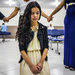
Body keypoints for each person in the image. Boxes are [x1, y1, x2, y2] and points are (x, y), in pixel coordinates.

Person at [16, 1, 50, 75]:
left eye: (37, 13)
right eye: (32, 13)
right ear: (28, 14)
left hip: (41, 58)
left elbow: (46, 47)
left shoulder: (43, 28)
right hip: (27, 60)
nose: (35, 15)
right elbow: (22, 50)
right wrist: (31, 66)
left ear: (40, 14)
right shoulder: (22, 29)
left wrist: (41, 62)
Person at [48, 0, 75, 70]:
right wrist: (51, 14)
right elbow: (59, 6)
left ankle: (73, 63)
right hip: (68, 19)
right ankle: (67, 62)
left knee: (73, 41)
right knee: (67, 41)